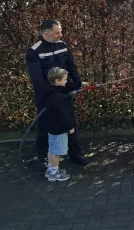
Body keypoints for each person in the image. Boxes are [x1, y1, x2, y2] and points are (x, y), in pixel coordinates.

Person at [25, 19, 88, 169]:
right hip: (46, 98)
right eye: (57, 32)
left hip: (64, 94)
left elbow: (71, 67)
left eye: (60, 31)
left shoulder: (63, 46)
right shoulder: (34, 51)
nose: (61, 35)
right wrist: (55, 94)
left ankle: (75, 155)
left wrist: (76, 83)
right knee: (46, 126)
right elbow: (38, 80)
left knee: (70, 122)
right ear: (46, 33)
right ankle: (42, 157)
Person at [44, 67, 75, 182]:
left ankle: (51, 169)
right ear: (57, 81)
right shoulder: (59, 97)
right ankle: (54, 173)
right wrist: (70, 127)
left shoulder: (51, 91)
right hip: (59, 129)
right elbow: (63, 114)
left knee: (52, 149)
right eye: (65, 80)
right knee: (57, 152)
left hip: (51, 127)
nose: (66, 82)